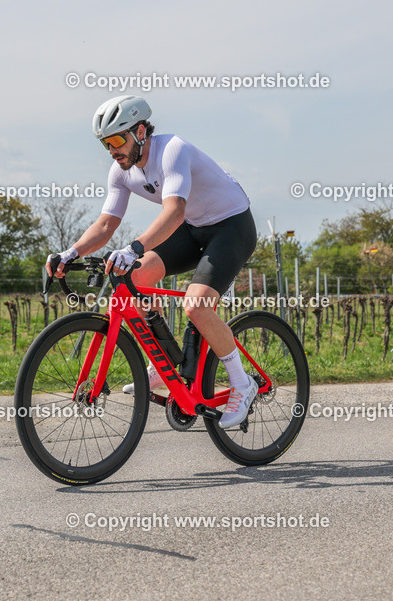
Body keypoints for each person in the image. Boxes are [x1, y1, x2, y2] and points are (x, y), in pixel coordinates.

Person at [46, 95, 258, 428]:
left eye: (117, 139)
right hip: (193, 228)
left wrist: (134, 248)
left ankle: (243, 384)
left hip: (231, 226)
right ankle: (163, 365)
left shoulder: (173, 149)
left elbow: (174, 211)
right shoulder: (120, 172)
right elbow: (105, 225)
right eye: (106, 144)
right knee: (134, 279)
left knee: (195, 306)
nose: (113, 150)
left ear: (141, 131)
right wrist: (71, 253)